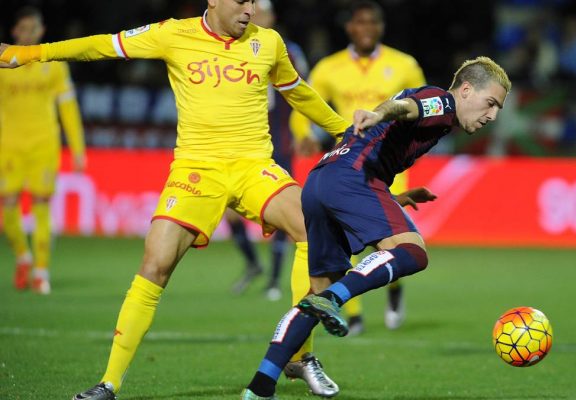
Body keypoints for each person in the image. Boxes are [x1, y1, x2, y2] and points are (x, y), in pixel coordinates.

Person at [0, 1, 347, 398]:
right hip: (196, 171)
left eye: (254, 1)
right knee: (155, 264)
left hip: (254, 165)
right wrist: (28, 53)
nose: (250, 9)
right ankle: (109, 382)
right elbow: (101, 45)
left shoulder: (268, 42)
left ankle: (299, 355)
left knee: (312, 226)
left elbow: (298, 92)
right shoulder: (172, 34)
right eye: (242, 0)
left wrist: (344, 131)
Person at [241, 56, 510, 400]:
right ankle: (334, 299)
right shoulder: (442, 102)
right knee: (412, 252)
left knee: (313, 298)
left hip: (322, 181)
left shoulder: (441, 121)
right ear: (467, 90)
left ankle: (260, 385)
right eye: (491, 103)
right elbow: (406, 106)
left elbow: (380, 144)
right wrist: (379, 113)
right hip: (350, 179)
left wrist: (395, 197)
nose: (492, 116)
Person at [290, 0, 427, 335]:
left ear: (381, 27)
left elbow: (422, 106)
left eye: (373, 23)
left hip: (390, 164)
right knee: (346, 239)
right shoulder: (328, 68)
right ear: (350, 27)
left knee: (391, 241)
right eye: (360, 23)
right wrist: (303, 133)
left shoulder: (404, 64)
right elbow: (303, 104)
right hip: (350, 163)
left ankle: (394, 290)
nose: (367, 29)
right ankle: (353, 314)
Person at [0, 6, 86, 295]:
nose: (27, 34)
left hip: (43, 145)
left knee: (41, 207)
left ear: (41, 32)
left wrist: (77, 148)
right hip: (8, 146)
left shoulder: (55, 65)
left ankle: (41, 270)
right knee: (8, 206)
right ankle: (24, 257)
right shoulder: (3, 63)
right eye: (23, 29)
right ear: (14, 32)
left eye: (33, 29)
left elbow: (68, 108)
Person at [228, 0, 311, 301]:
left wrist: (303, 131)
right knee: (230, 211)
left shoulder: (286, 50)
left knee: (283, 212)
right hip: (241, 143)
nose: (253, 15)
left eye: (261, 11)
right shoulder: (234, 44)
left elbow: (302, 93)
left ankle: (275, 279)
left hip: (279, 139)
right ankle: (252, 264)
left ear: (271, 16)